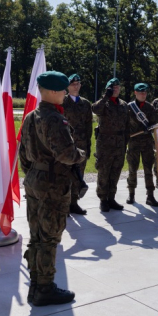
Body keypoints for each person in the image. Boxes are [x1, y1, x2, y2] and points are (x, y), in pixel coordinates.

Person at [19, 71, 86, 306]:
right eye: (64, 90)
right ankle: (45, 289)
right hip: (52, 184)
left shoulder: (30, 116)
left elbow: (23, 155)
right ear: (56, 92)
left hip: (35, 179)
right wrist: (81, 155)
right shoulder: (55, 119)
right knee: (50, 237)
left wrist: (35, 171)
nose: (66, 93)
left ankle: (36, 284)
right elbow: (67, 154)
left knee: (36, 235)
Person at [92, 78, 130, 212]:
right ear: (107, 89)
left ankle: (111, 198)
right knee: (104, 171)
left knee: (115, 171)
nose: (116, 90)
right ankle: (103, 199)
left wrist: (126, 143)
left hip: (119, 144)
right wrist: (105, 97)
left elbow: (127, 125)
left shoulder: (124, 105)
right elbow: (95, 109)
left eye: (117, 87)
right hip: (105, 144)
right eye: (112, 88)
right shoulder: (104, 103)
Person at [126, 83, 158, 207]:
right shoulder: (129, 107)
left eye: (145, 92)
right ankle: (131, 193)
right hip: (133, 142)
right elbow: (124, 124)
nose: (143, 94)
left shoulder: (150, 107)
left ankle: (150, 195)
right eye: (140, 92)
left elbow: (155, 122)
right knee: (132, 169)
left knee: (148, 170)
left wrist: (150, 127)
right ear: (135, 93)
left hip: (146, 143)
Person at [62, 74, 92, 215]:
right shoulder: (62, 102)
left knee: (78, 174)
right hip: (65, 145)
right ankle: (64, 205)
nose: (76, 86)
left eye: (78, 83)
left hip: (81, 146)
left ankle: (73, 203)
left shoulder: (85, 104)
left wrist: (88, 145)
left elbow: (88, 126)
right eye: (73, 84)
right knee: (64, 175)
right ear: (68, 86)